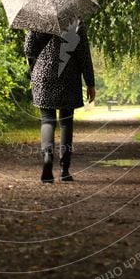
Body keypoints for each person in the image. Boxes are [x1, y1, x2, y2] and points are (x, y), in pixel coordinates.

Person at [24, 19, 96, 183]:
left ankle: (47, 157)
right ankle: (64, 169)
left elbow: (28, 49)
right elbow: (83, 53)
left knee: (47, 120)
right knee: (66, 122)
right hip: (68, 74)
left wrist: (34, 67)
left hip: (43, 74)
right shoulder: (75, 20)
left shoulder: (38, 19)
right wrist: (90, 83)